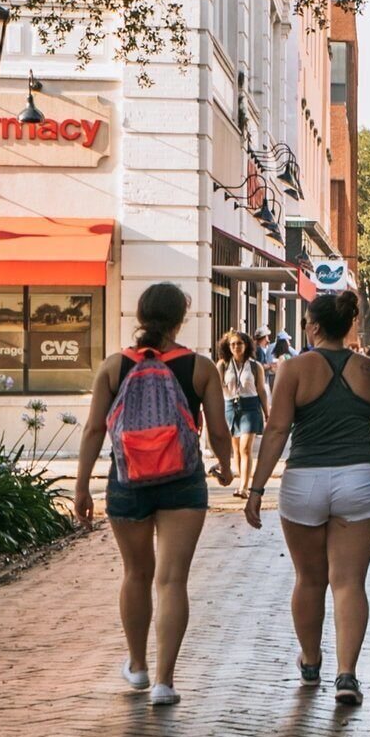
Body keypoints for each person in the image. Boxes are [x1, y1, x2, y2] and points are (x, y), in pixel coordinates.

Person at [73, 280, 232, 706]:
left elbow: (93, 430)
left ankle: (138, 665)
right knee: (172, 579)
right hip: (183, 481)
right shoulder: (200, 368)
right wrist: (228, 465)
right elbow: (218, 431)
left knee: (136, 574)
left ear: (140, 318)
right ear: (181, 319)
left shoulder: (114, 366)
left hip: (128, 480)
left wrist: (82, 486)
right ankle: (165, 681)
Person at [243, 266, 370, 704]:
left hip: (304, 481)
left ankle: (310, 663)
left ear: (312, 326)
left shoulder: (294, 369)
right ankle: (347, 676)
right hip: (359, 480)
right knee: (349, 583)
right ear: (349, 326)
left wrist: (256, 489)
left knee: (310, 580)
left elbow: (275, 433)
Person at [215, 330, 270, 441]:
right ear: (228, 346)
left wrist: (267, 414)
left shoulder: (256, 366)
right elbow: (216, 389)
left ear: (246, 345)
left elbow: (262, 391)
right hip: (230, 407)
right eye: (233, 344)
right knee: (236, 451)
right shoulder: (223, 365)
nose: (236, 346)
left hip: (251, 407)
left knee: (245, 448)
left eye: (240, 343)